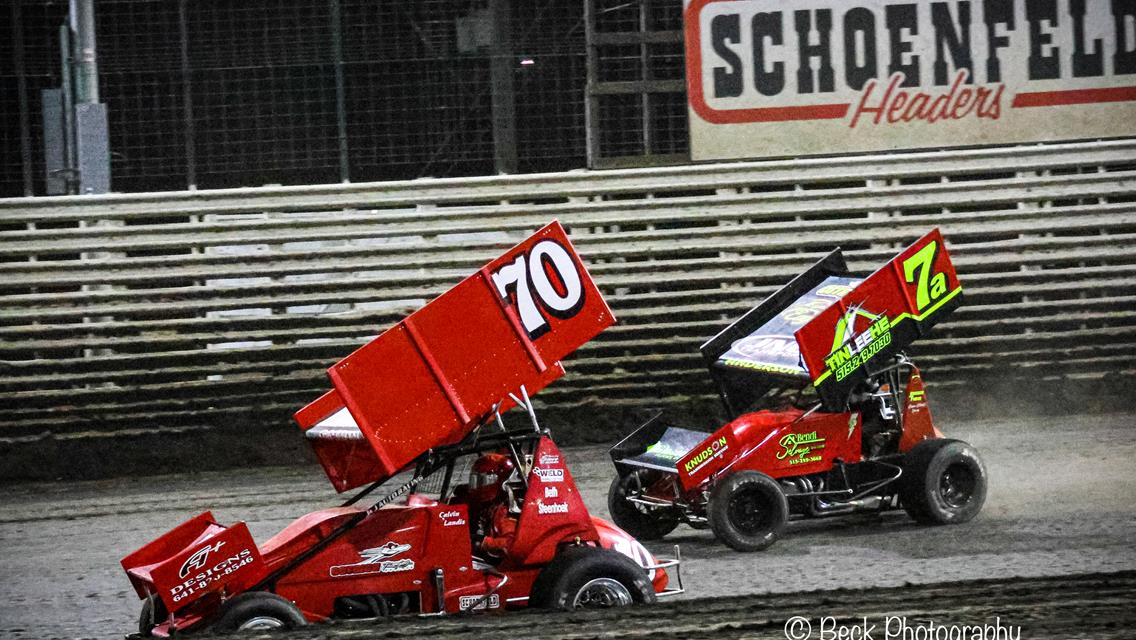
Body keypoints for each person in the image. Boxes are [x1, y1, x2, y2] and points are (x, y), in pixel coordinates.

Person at [464, 452, 520, 559]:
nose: (481, 486)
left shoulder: (503, 511)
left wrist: (484, 543)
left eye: (485, 480)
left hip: (495, 564)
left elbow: (511, 543)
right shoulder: (484, 504)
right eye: (477, 480)